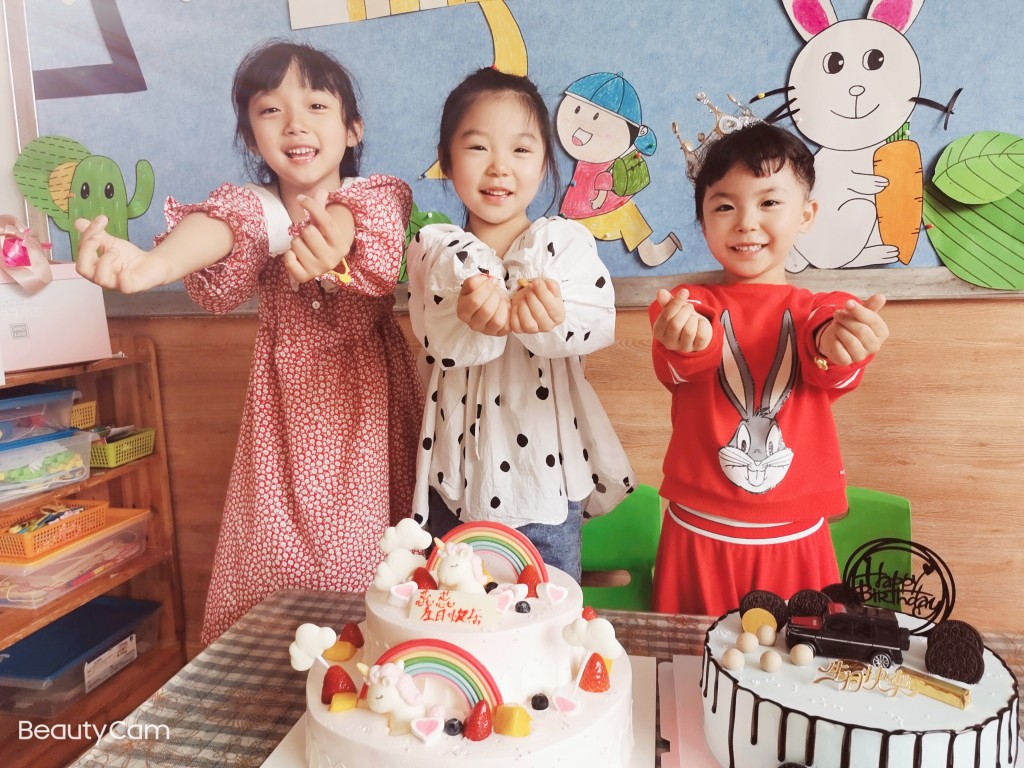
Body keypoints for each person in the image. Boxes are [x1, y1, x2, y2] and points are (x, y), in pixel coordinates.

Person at [73, 40, 422, 644]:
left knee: (376, 568)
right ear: (251, 136)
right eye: (270, 110)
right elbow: (226, 225)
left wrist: (332, 239)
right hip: (284, 419)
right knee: (274, 564)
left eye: (316, 105)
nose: (295, 124)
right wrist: (155, 266)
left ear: (353, 129)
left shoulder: (378, 196)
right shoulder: (253, 209)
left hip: (369, 413)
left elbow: (354, 221)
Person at [648, 120, 889, 616]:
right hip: (697, 535)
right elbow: (684, 355)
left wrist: (840, 342)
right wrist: (689, 342)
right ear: (702, 222)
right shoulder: (686, 306)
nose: (746, 222)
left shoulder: (821, 311)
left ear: (806, 214)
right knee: (689, 661)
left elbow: (826, 349)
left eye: (769, 202)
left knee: (801, 657)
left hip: (796, 540)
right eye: (724, 206)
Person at [406, 67, 636, 580]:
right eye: (478, 147)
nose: (500, 168)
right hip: (454, 485)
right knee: (455, 609)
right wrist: (468, 311)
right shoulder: (435, 249)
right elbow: (437, 329)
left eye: (521, 149)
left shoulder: (565, 247)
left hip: (546, 486)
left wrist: (553, 318)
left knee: (551, 614)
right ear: (446, 160)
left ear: (545, 162)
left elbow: (595, 318)